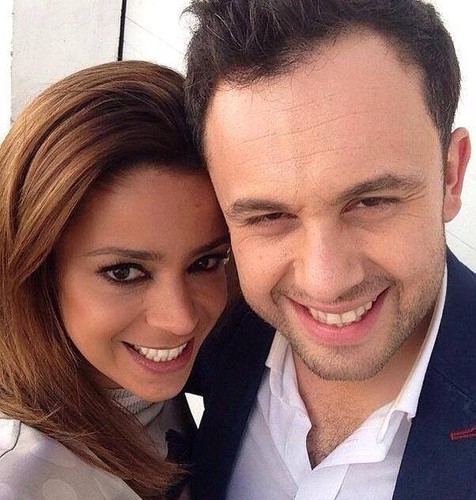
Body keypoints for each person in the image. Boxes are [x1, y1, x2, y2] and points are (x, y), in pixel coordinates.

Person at [183, 0, 476, 498]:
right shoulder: (202, 331)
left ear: (450, 175)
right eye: (269, 216)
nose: (326, 281)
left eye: (371, 201)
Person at [0, 60, 230, 499]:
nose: (180, 320)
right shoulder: (17, 477)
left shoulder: (126, 379)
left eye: (205, 262)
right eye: (124, 272)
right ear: (35, 270)